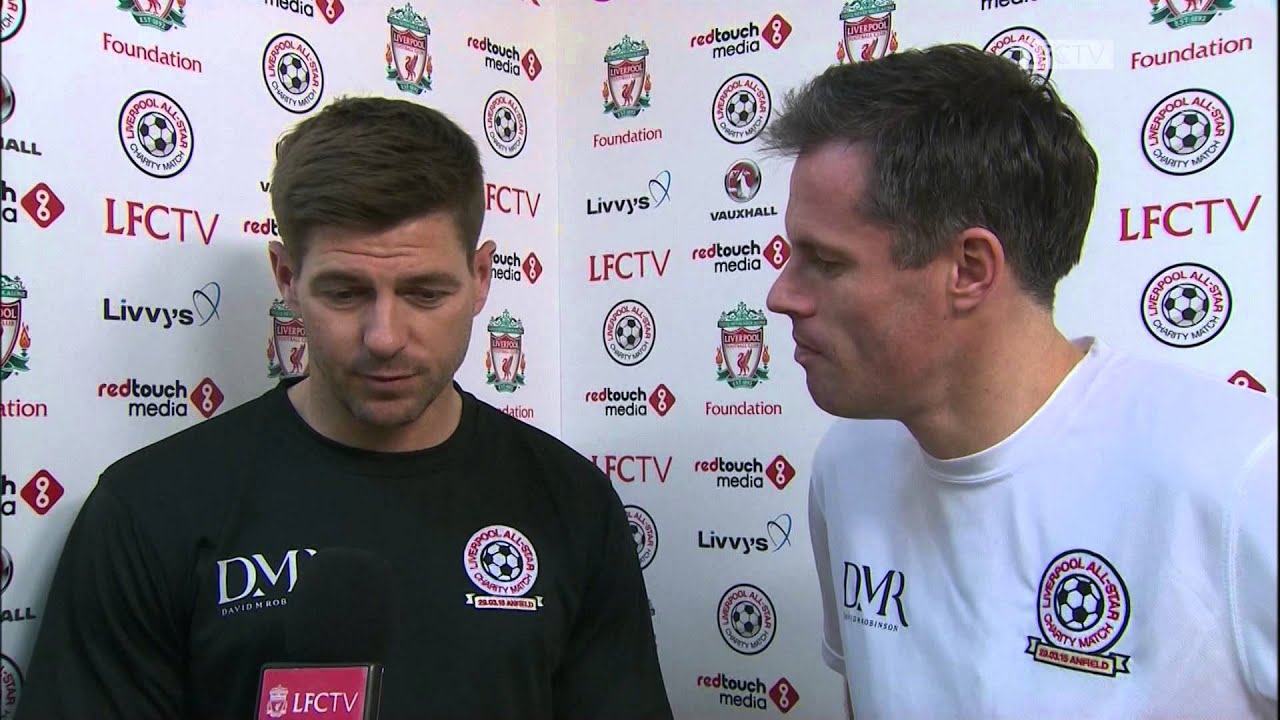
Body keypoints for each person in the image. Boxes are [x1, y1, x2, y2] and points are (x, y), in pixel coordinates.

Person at [17, 96, 673, 720]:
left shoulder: (571, 502)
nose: (385, 336)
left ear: (480, 278)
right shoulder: (150, 510)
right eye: (344, 292)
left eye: (424, 292)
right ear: (286, 278)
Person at [762, 44, 1277, 720]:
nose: (781, 296)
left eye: (826, 262)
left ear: (970, 269)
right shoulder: (848, 467)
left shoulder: (1242, 476)